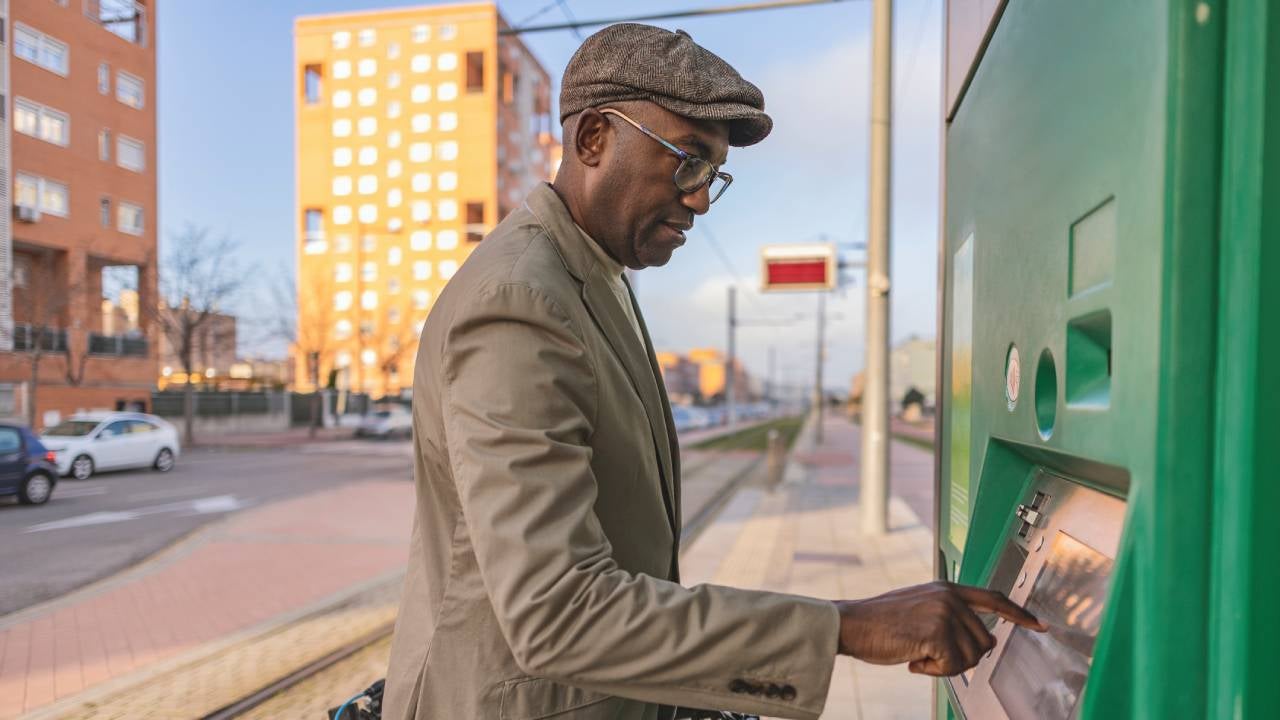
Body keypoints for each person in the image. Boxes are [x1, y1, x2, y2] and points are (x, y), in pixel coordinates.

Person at [383, 23, 1044, 720]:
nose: (699, 198)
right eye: (687, 160)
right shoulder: (519, 303)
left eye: (713, 175)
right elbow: (557, 612)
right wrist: (847, 627)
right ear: (592, 141)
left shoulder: (594, 275)